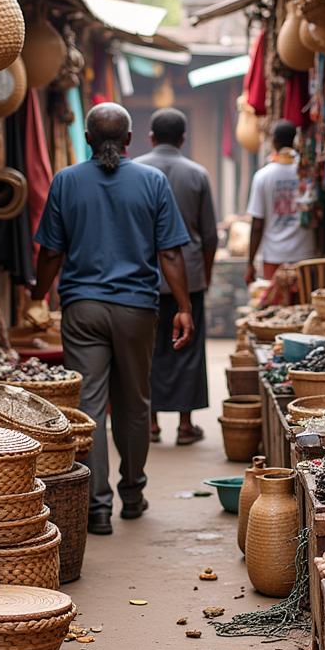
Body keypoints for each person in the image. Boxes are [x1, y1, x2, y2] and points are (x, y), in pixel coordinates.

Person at [32, 103, 195, 536]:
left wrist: (34, 296)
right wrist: (183, 307)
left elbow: (51, 252)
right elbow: (172, 253)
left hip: (82, 309)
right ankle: (133, 493)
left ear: (87, 138)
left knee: (89, 408)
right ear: (128, 140)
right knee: (135, 404)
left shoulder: (66, 181)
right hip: (137, 309)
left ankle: (96, 507)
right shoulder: (152, 182)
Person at [137, 108, 218, 446]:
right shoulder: (197, 174)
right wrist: (205, 274)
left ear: (151, 137)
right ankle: (185, 425)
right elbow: (210, 235)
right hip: (190, 275)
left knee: (146, 348)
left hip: (143, 275)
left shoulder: (136, 171)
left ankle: (151, 423)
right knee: (188, 347)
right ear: (183, 139)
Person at [244, 119, 316, 284]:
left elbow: (257, 224)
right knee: (304, 307)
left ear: (274, 141)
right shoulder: (307, 173)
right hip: (305, 253)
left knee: (277, 307)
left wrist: (250, 263)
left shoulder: (263, 176)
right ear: (294, 140)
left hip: (274, 256)